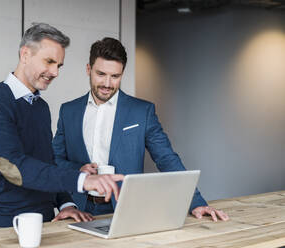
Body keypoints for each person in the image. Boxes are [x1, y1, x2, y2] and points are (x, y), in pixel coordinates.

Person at [52, 37, 229, 222]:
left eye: (115, 76)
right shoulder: (68, 111)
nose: (107, 83)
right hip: (79, 208)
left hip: (125, 208)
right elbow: (54, 160)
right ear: (88, 69)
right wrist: (77, 170)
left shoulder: (142, 112)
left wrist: (196, 202)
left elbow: (166, 158)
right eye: (101, 74)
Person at [0, 24, 123, 231]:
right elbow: (14, 168)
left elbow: (47, 164)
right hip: (4, 227)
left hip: (45, 222)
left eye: (59, 65)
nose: (54, 72)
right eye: (49, 62)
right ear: (25, 54)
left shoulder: (40, 106)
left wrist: (66, 203)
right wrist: (83, 180)